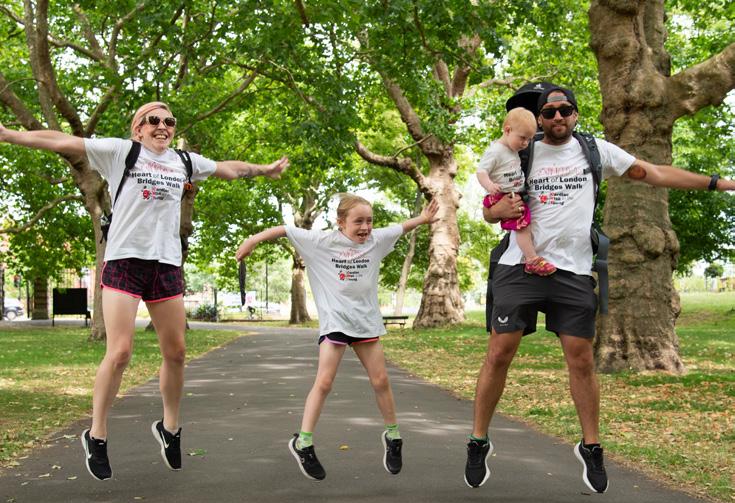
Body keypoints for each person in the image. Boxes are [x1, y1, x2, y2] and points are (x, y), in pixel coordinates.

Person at [464, 86, 735, 493]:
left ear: (575, 114)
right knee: (500, 352)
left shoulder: (595, 151)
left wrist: (720, 183)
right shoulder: (521, 150)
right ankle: (478, 439)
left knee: (581, 359)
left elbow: (654, 173)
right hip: (519, 265)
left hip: (573, 270)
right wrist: (496, 211)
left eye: (565, 110)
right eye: (549, 111)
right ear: (539, 118)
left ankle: (591, 446)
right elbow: (491, 207)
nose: (558, 117)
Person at [0, 102, 289, 481]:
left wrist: (264, 169)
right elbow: (61, 141)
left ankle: (170, 428)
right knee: (120, 352)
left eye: (169, 121)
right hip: (124, 262)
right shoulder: (121, 151)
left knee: (177, 353)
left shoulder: (183, 161)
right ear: (137, 128)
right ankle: (97, 434)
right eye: (153, 120)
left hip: (165, 264)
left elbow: (228, 169)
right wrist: (9, 135)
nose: (162, 125)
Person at [236, 194, 439, 480]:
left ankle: (393, 437)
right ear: (341, 222)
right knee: (324, 382)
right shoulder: (321, 242)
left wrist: (424, 218)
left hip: (365, 322)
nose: (365, 227)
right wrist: (252, 241)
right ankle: (303, 442)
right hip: (336, 322)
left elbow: (401, 227)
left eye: (369, 221)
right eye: (358, 221)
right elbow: (284, 229)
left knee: (381, 380)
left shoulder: (376, 240)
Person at [476, 107, 555, 276]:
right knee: (523, 227)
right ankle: (531, 259)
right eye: (523, 138)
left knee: (524, 226)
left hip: (513, 194)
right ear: (507, 130)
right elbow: (481, 172)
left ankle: (530, 257)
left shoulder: (512, 149)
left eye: (529, 139)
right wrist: (489, 186)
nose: (526, 143)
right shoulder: (496, 151)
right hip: (503, 196)